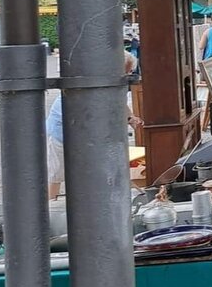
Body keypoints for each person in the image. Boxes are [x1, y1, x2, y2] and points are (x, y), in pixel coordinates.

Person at [47, 52, 142, 200]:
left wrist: (130, 118)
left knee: (90, 169)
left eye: (130, 71)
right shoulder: (96, 83)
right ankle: (51, 203)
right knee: (57, 172)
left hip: (87, 134)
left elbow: (120, 104)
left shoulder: (119, 82)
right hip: (63, 130)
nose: (128, 75)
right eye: (126, 71)